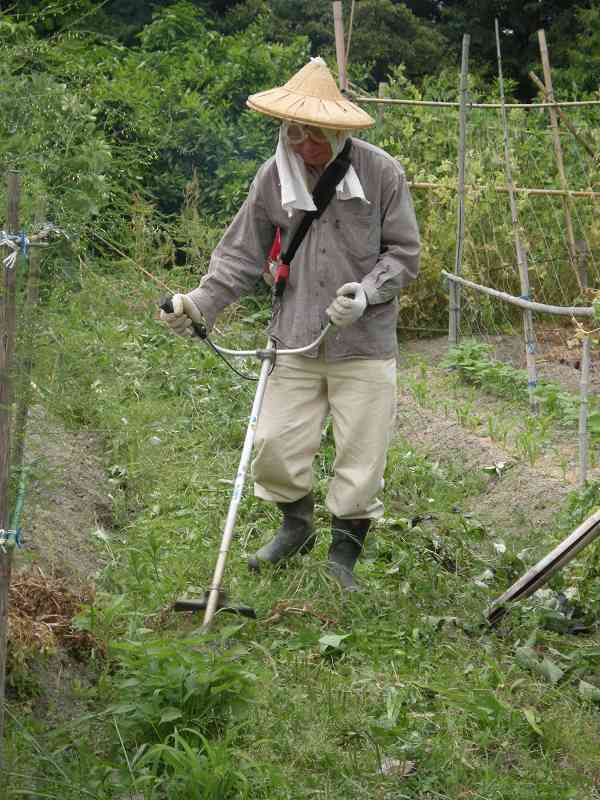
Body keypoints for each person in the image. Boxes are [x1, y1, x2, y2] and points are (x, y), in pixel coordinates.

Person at [161, 57, 420, 591]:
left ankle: (342, 559)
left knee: (360, 457)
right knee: (275, 447)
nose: (305, 147)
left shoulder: (381, 172)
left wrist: (366, 293)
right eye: (296, 135)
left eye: (316, 136)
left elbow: (403, 254)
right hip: (295, 338)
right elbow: (240, 255)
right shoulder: (272, 176)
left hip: (364, 344)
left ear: (339, 129)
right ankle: (296, 526)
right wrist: (197, 304)